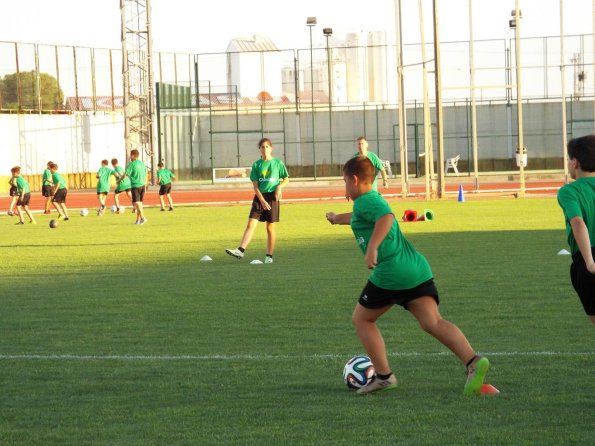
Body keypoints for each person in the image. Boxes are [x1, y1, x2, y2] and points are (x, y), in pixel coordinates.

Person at [325, 156, 489, 395]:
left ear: (354, 179)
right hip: (415, 267)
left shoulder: (366, 201)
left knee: (362, 319)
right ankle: (473, 361)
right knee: (432, 322)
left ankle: (384, 376)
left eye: (344, 181)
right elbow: (363, 216)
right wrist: (337, 218)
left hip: (391, 272)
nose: (345, 186)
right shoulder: (370, 200)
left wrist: (372, 248)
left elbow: (386, 218)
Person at [226, 137, 289, 263]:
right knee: (251, 224)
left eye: (267, 147)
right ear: (259, 149)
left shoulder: (278, 163)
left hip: (273, 197)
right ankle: (240, 250)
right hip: (260, 197)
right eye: (262, 147)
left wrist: (279, 187)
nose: (265, 149)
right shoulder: (256, 165)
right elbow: (255, 186)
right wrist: (262, 200)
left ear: (271, 148)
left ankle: (269, 256)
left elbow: (286, 179)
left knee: (270, 227)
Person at [556, 134, 595, 325]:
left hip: (587, 256)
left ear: (574, 162)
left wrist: (589, 262)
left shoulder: (569, 191)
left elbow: (578, 223)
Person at [119, 149, 147, 224]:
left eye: (130, 156)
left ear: (133, 156)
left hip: (135, 185)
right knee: (139, 204)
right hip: (142, 185)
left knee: (137, 203)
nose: (130, 157)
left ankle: (143, 218)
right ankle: (138, 220)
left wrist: (119, 180)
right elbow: (146, 174)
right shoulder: (142, 164)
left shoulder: (132, 164)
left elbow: (125, 174)